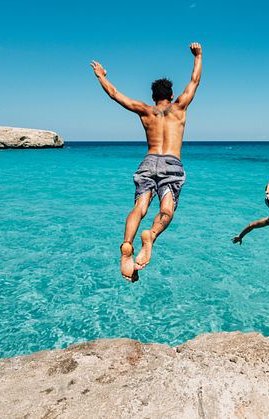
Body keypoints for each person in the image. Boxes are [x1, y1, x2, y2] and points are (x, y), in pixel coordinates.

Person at [91, 42, 203, 282]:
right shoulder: (180, 106)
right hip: (172, 164)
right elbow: (194, 81)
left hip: (148, 161)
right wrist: (198, 55)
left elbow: (115, 95)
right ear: (171, 95)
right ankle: (150, 236)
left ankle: (126, 245)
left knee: (139, 208)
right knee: (166, 210)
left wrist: (101, 76)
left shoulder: (145, 110)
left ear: (154, 97)